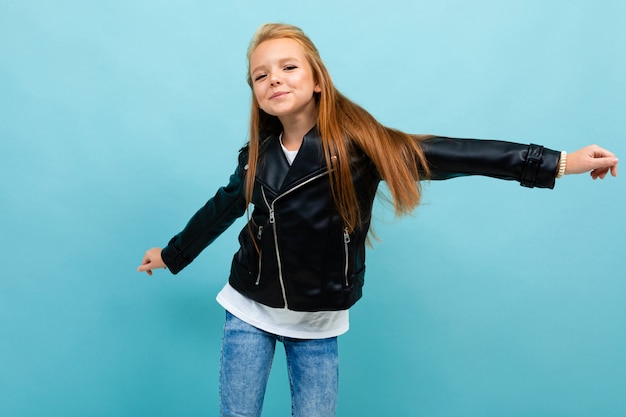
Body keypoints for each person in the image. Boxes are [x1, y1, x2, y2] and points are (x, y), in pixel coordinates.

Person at [137, 23, 618, 417]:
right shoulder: (255, 157)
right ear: (255, 94)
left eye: (288, 67)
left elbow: (457, 154)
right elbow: (221, 209)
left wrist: (557, 161)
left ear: (318, 79)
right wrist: (171, 255)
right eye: (260, 76)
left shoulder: (361, 147)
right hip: (248, 307)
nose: (274, 80)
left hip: (318, 319)